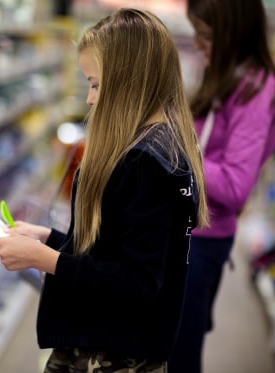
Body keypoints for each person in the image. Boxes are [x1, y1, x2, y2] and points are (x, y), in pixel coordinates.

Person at [0, 8, 209, 373]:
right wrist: (50, 238)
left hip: (112, 354)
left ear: (130, 80)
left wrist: (44, 259)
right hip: (106, 343)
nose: (90, 99)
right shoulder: (156, 148)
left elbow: (136, 282)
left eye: (96, 84)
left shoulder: (146, 165)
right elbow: (116, 249)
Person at [168, 1, 275, 372]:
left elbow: (234, 186)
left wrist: (175, 146)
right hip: (186, 230)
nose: (198, 44)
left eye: (207, 35)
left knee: (179, 354)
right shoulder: (224, 74)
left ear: (235, 32)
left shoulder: (255, 88)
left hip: (202, 241)